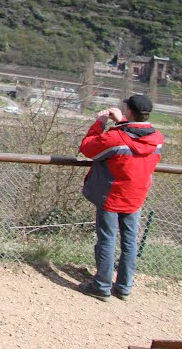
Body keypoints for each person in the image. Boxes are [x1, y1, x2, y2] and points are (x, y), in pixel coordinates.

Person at [78, 93, 163, 301]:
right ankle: (124, 287)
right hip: (136, 196)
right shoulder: (157, 139)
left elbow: (88, 148)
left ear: (129, 111)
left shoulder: (116, 137)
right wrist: (123, 122)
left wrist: (100, 123)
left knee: (107, 240)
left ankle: (102, 286)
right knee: (130, 241)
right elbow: (136, 135)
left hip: (112, 195)